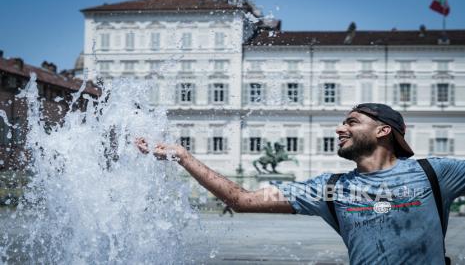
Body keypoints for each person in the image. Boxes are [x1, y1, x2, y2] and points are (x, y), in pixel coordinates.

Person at [135, 103, 465, 264]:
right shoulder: (331, 188)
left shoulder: (433, 172)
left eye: (351, 122)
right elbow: (242, 200)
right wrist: (184, 157)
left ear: (383, 131)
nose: (339, 128)